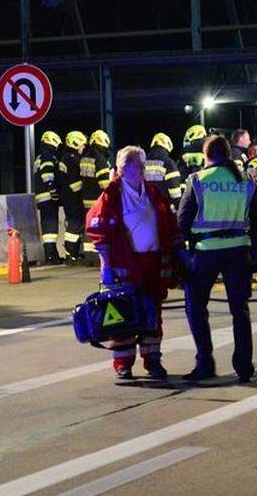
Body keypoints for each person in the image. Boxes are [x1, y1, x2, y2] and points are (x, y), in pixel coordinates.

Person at [85, 146, 181, 380]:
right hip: (124, 264)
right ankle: (123, 363)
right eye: (138, 166)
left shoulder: (152, 192)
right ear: (123, 168)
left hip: (152, 263)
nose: (143, 170)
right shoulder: (111, 195)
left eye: (143, 165)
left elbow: (168, 221)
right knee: (122, 316)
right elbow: (99, 233)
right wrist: (107, 268)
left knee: (152, 315)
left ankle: (153, 360)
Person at [177, 135, 257, 383]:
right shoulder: (247, 180)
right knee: (240, 310)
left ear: (206, 155)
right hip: (239, 250)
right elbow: (256, 221)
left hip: (206, 251)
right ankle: (244, 367)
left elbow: (182, 222)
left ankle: (205, 363)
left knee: (195, 307)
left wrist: (180, 255)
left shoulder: (198, 181)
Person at [80, 130, 113, 264]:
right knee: (98, 228)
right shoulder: (100, 159)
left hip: (85, 199)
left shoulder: (85, 157)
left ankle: (89, 257)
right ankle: (97, 257)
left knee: (88, 227)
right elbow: (104, 184)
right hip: (97, 201)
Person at [33, 130, 64, 264]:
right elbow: (47, 173)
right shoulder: (47, 155)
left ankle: (51, 254)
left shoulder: (40, 156)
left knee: (48, 227)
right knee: (51, 226)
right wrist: (52, 188)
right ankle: (51, 255)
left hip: (41, 195)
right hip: (47, 195)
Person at [59, 131, 88, 262]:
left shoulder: (67, 157)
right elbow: (74, 183)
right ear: (75, 144)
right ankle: (71, 254)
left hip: (68, 196)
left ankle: (74, 253)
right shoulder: (71, 159)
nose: (83, 148)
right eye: (81, 146)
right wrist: (88, 187)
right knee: (74, 226)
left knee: (76, 225)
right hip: (72, 197)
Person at [145, 132, 183, 207]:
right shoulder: (168, 163)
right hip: (163, 209)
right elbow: (175, 193)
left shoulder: (142, 161)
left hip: (145, 209)